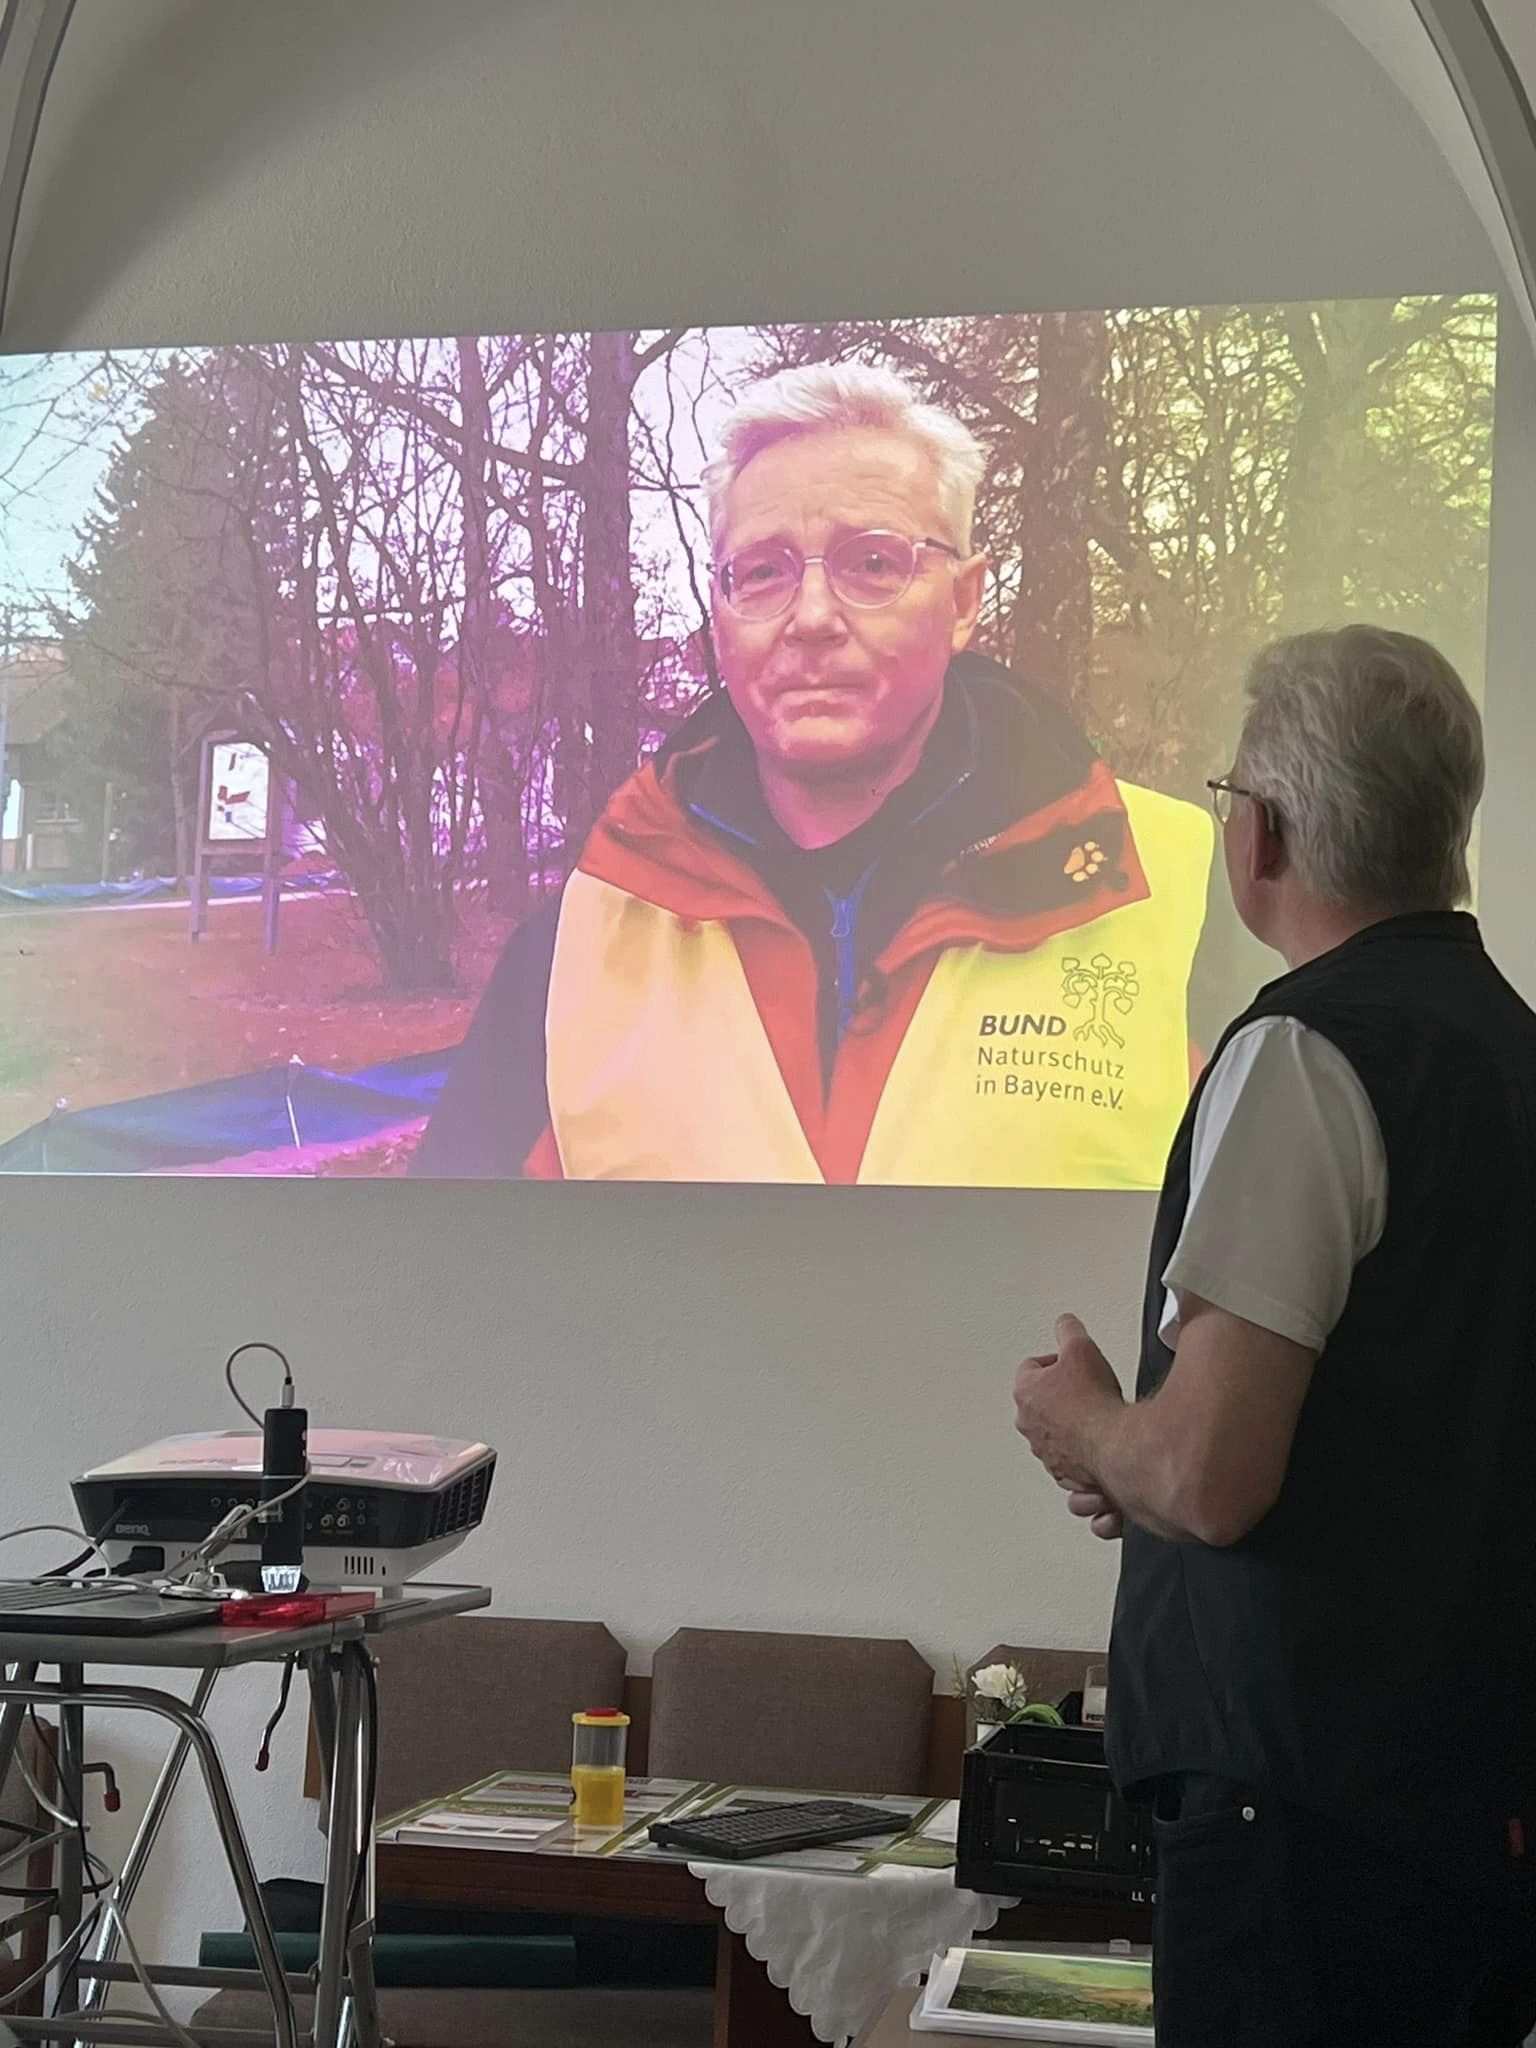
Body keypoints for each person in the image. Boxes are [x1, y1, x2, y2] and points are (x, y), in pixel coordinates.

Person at [1012, 624, 1536, 2046]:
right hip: (1467, 1791)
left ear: (1266, 837)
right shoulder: (1508, 1048)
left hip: (1306, 1812)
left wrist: (1089, 1426)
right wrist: (1136, 1456)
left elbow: (1204, 1479)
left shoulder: (1306, 1053)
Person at [413, 362, 1214, 1184]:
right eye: (762, 572)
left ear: (965, 600)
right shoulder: (573, 950)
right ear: (719, 616)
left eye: (873, 564)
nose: (813, 618)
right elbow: (460, 1286)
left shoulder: (1186, 900)